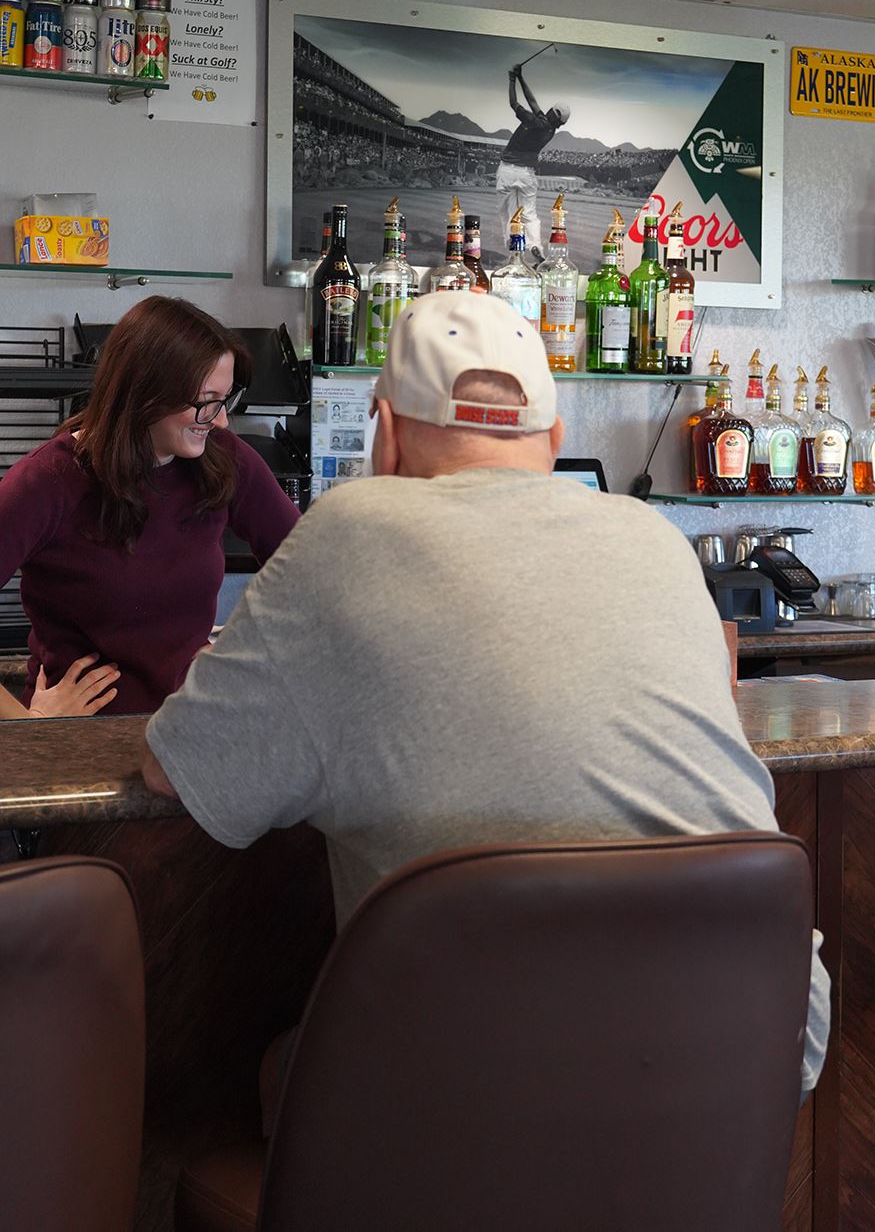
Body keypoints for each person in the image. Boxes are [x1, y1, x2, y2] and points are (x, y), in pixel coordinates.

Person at [143, 292, 829, 1094]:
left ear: (386, 434)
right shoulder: (657, 541)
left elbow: (178, 770)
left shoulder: (349, 530)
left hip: (462, 1108)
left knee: (270, 1078)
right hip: (740, 1069)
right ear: (556, 440)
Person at [0, 296, 301, 716]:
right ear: (145, 394)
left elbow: (310, 571)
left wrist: (244, 654)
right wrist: (29, 723)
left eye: (225, 398)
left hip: (190, 728)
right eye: (205, 400)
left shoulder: (222, 457)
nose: (220, 420)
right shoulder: (46, 482)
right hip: (85, 740)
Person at [495, 63, 570, 255]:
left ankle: (515, 250)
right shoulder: (550, 128)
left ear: (552, 112)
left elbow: (514, 103)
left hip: (508, 171)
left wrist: (511, 80)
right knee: (529, 214)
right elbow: (532, 101)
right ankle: (535, 246)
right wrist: (521, 78)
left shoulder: (535, 121)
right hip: (528, 175)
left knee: (508, 213)